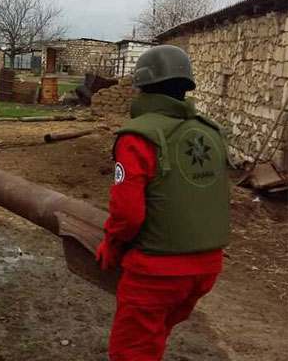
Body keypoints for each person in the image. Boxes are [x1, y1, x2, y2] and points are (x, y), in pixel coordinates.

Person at [96, 45, 230, 360]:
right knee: (154, 338)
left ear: (141, 87)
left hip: (156, 273)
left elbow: (128, 215)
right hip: (206, 269)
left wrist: (111, 246)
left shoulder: (138, 137)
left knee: (132, 351)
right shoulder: (211, 132)